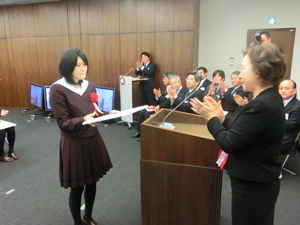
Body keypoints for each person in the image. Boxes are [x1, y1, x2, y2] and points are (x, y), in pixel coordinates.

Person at [191, 43, 286, 225]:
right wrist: (221, 119)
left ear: (258, 71)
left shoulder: (262, 104)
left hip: (254, 186)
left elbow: (230, 143)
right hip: (254, 181)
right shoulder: (261, 98)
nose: (240, 74)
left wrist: (210, 118)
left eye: (243, 68)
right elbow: (245, 132)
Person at [50, 48, 115, 225]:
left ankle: (88, 217)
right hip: (74, 144)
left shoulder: (89, 85)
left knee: (93, 182)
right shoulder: (58, 89)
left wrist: (109, 114)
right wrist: (84, 120)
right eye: (78, 65)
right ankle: (78, 222)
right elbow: (63, 123)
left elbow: (95, 112)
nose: (83, 68)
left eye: (85, 64)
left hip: (92, 139)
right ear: (67, 66)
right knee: (77, 188)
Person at [131, 71, 174, 141]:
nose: (163, 80)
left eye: (165, 78)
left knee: (147, 114)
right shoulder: (163, 88)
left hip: (164, 109)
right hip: (158, 106)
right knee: (142, 111)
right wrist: (157, 96)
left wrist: (159, 96)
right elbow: (159, 100)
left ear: (170, 79)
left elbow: (167, 102)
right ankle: (139, 131)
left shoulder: (172, 89)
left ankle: (145, 134)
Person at [278, 79, 300, 154]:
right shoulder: (276, 102)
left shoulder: (297, 106)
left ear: (294, 91)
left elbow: (290, 126)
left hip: (285, 139)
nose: (283, 91)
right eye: (281, 88)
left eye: (287, 88)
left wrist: (275, 115)